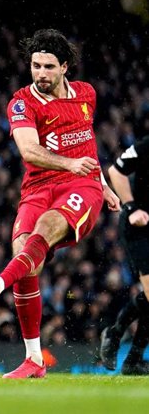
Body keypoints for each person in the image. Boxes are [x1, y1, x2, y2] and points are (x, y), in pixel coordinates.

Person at [0, 29, 120, 378]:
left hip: (80, 186)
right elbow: (28, 150)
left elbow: (88, 146)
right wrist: (68, 163)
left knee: (47, 226)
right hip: (37, 187)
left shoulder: (86, 95)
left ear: (65, 66)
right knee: (24, 252)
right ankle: (34, 360)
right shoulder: (22, 102)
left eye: (49, 67)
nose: (41, 74)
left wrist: (103, 184)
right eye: (36, 66)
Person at [100, 138, 149, 375]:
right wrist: (131, 207)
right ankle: (117, 336)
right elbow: (115, 171)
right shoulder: (147, 146)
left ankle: (130, 356)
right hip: (139, 226)